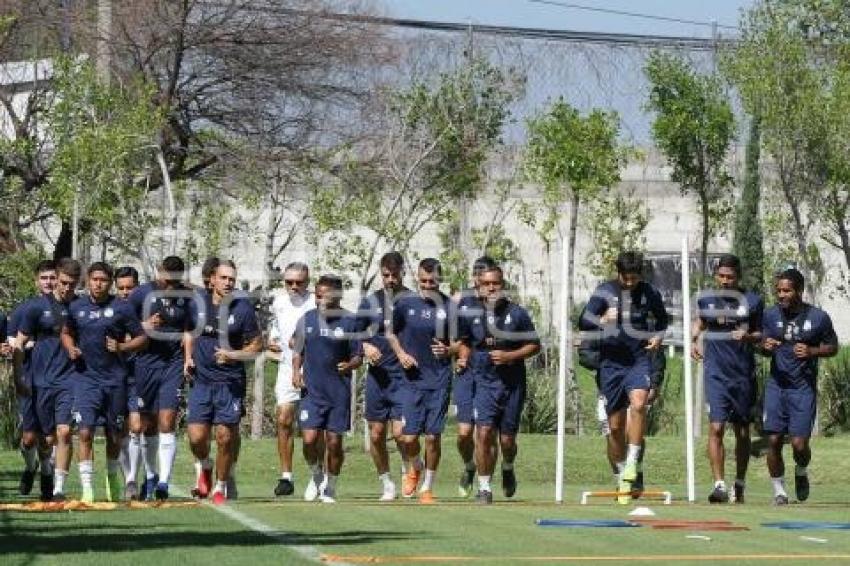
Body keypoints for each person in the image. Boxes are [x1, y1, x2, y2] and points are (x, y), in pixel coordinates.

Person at [579, 251, 668, 505]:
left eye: (634, 278)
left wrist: (658, 336)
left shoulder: (649, 292)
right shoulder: (605, 292)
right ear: (618, 273)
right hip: (610, 365)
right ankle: (621, 474)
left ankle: (632, 463)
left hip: (638, 360)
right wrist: (601, 319)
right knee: (615, 427)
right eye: (626, 278)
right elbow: (583, 320)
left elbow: (662, 319)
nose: (630, 282)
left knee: (639, 404)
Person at [62, 262, 147, 503]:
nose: (98, 284)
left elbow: (142, 338)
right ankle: (87, 489)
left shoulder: (121, 308)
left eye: (103, 280)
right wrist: (70, 348)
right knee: (86, 431)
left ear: (109, 283)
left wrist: (122, 346)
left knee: (113, 434)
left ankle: (112, 478)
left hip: (115, 380)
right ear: (88, 280)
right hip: (85, 379)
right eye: (95, 279)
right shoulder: (76, 307)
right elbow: (66, 332)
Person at [458, 264, 540, 504]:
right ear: (478, 285)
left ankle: (508, 466)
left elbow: (534, 345)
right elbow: (463, 342)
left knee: (507, 440)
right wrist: (464, 357)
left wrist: (509, 356)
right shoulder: (470, 313)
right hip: (484, 381)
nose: (492, 288)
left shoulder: (517, 314)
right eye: (487, 284)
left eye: (496, 283)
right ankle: (484, 488)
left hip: (512, 382)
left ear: (503, 285)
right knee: (483, 433)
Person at [186, 260, 262, 505]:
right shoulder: (198, 302)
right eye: (224, 278)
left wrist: (233, 355)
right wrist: (187, 357)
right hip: (201, 381)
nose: (228, 282)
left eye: (232, 278)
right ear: (212, 280)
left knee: (225, 437)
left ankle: (220, 486)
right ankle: (205, 466)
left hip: (229, 382)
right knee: (197, 437)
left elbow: (256, 345)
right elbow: (189, 332)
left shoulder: (243, 309)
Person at [761, 268, 837, 505]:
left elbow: (833, 347)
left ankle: (801, 471)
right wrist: (766, 346)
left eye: (786, 290)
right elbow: (761, 344)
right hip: (776, 386)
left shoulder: (818, 318)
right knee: (773, 439)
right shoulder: (770, 315)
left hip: (802, 388)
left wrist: (813, 351)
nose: (781, 295)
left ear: (799, 291)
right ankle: (779, 492)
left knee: (799, 444)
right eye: (779, 290)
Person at [692, 254, 763, 504]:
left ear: (738, 277)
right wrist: (693, 339)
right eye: (721, 276)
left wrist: (748, 337)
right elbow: (700, 322)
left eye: (730, 277)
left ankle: (740, 483)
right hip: (716, 374)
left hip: (743, 375)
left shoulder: (753, 301)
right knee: (716, 427)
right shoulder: (707, 300)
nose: (725, 281)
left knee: (742, 432)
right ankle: (719, 485)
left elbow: (762, 334)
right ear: (716, 276)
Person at [389, 258, 455, 504]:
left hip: (438, 379)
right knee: (407, 437)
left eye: (433, 281)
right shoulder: (405, 304)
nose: (428, 285)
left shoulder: (450, 307)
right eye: (424, 281)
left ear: (439, 280)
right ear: (417, 279)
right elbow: (391, 333)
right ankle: (415, 466)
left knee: (432, 437)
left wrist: (450, 351)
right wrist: (401, 354)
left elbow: (462, 341)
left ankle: (427, 487)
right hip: (411, 380)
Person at [15, 258, 81, 502]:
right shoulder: (32, 308)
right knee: (35, 438)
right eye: (61, 282)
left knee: (61, 433)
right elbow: (17, 343)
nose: (64, 287)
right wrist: (17, 377)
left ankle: (54, 485)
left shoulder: (81, 307)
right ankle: (34, 468)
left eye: (70, 284)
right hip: (38, 379)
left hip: (70, 379)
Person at [127, 256, 193, 501]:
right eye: (166, 278)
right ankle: (151, 475)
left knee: (167, 419)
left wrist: (188, 358)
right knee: (147, 425)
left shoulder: (186, 297)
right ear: (158, 272)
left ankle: (164, 481)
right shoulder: (141, 294)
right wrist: (144, 324)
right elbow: (124, 324)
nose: (169, 284)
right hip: (145, 363)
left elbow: (188, 329)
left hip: (172, 364)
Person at [292, 275, 362, 503]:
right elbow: (297, 349)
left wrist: (349, 365)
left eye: (325, 295)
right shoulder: (307, 319)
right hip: (312, 391)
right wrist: (295, 371)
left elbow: (358, 357)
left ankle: (331, 485)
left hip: (338, 393)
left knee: (334, 442)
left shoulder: (350, 321)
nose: (320, 299)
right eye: (317, 294)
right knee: (310, 439)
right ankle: (316, 475)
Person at [357, 252, 411, 501]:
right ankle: (386, 482)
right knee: (377, 433)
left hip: (404, 377)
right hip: (378, 377)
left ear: (402, 273)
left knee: (401, 433)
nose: (390, 279)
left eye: (395, 275)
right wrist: (365, 347)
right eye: (386, 275)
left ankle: (408, 469)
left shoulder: (413, 301)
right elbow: (354, 334)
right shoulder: (370, 303)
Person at [266, 262, 318, 498]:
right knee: (284, 419)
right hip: (288, 369)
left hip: (315, 371)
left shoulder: (316, 301)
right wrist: (273, 341)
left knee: (314, 431)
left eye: (299, 282)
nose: (294, 287)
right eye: (289, 282)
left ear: (308, 282)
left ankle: (318, 473)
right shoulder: (278, 302)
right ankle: (286, 476)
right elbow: (275, 332)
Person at [11, 260, 57, 499]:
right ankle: (31, 468)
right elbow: (11, 341)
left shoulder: (67, 307)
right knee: (29, 437)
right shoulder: (25, 309)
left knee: (48, 436)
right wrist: (22, 346)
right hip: (29, 377)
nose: (49, 282)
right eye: (44, 278)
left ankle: (48, 471)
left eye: (52, 277)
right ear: (36, 281)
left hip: (55, 379)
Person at [453, 256, 497, 498]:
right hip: (467, 374)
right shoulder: (462, 302)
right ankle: (469, 466)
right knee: (463, 433)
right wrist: (460, 356)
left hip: (490, 376)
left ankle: (485, 481)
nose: (481, 280)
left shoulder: (501, 305)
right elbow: (460, 337)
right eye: (477, 275)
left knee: (486, 431)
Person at [115, 266, 157, 500]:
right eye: (120, 288)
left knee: (137, 426)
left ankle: (132, 479)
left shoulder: (147, 311)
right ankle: (127, 476)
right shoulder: (111, 309)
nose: (124, 292)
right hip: (111, 377)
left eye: (129, 288)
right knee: (118, 432)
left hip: (138, 375)